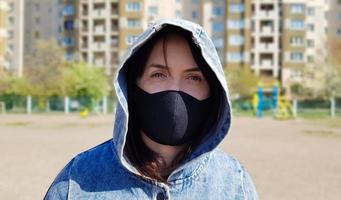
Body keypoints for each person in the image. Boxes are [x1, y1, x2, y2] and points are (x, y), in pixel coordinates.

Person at [44, 19, 259, 200]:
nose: (175, 92)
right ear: (132, 86)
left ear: (212, 92)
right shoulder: (77, 180)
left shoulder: (234, 184)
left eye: (193, 77)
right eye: (159, 74)